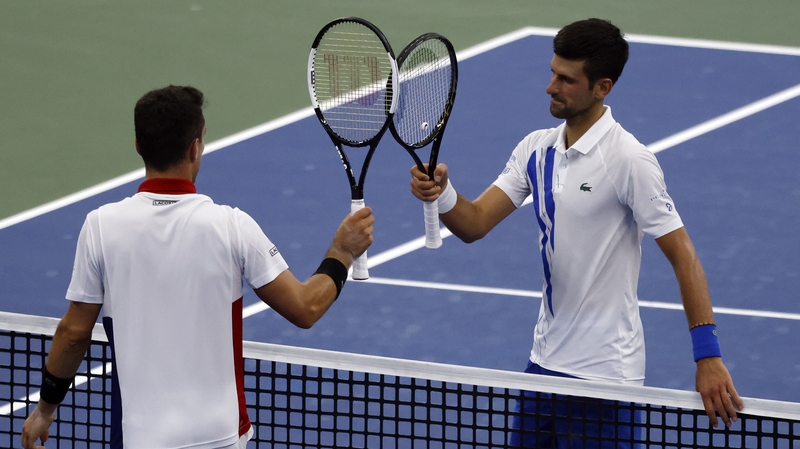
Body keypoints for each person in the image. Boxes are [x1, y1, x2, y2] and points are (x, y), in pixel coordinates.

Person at [410, 18, 743, 447]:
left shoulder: (628, 160)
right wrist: (442, 193)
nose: (551, 87)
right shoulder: (535, 149)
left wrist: (707, 355)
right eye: (553, 73)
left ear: (602, 87)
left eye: (566, 80)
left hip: (605, 378)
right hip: (543, 367)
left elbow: (683, 254)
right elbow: (474, 223)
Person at [21, 85, 374, 449]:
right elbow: (305, 307)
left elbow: (73, 334)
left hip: (142, 439)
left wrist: (46, 409)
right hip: (219, 436)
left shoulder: (100, 227)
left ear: (139, 145)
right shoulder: (232, 226)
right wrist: (342, 252)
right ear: (195, 147)